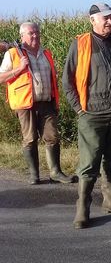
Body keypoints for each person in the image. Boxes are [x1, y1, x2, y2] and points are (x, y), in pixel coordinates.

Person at [63, 3, 111, 229]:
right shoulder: (80, 43)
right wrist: (79, 109)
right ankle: (82, 208)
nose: (109, 22)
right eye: (105, 18)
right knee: (89, 164)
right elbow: (68, 81)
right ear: (92, 20)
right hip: (92, 113)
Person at [0, 22, 73, 185]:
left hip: (47, 102)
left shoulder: (46, 53)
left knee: (52, 137)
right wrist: (19, 69)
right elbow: (1, 78)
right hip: (25, 104)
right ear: (22, 36)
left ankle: (55, 172)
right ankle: (34, 175)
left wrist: (55, 101)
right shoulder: (13, 54)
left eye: (37, 33)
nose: (35, 36)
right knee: (30, 139)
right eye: (31, 33)